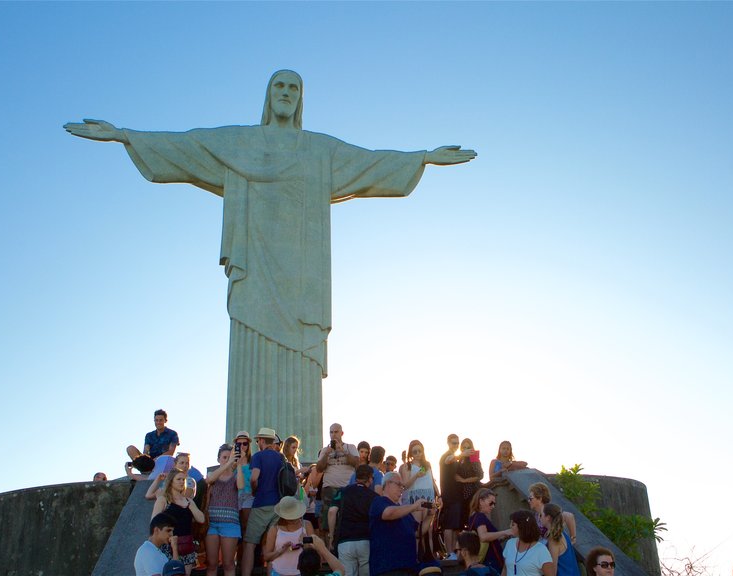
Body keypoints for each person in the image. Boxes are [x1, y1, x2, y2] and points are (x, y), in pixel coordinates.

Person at [65, 70, 477, 454]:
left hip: (302, 279)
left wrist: (421, 158)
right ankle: (245, 451)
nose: (286, 93)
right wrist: (124, 136)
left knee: (299, 355)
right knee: (250, 345)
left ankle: (300, 455)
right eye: (279, 86)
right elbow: (188, 145)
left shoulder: (319, 150)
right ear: (268, 96)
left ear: (301, 99)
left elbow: (369, 162)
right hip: (255, 274)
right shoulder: (240, 143)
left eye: (294, 88)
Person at [241, 427, 287, 576]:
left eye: (257, 441)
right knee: (271, 544)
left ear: (261, 440)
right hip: (278, 505)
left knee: (250, 543)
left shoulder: (258, 456)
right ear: (272, 441)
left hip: (261, 503)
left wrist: (255, 489)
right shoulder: (280, 457)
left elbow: (254, 477)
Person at [369, 472, 428, 576]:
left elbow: (418, 532)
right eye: (399, 484)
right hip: (388, 568)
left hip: (409, 568)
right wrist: (414, 506)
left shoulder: (404, 511)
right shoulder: (378, 501)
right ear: (387, 484)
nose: (402, 488)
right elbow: (388, 513)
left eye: (403, 486)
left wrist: (432, 515)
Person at [152, 469, 206, 575]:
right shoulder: (163, 500)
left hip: (186, 545)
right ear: (171, 481)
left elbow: (201, 519)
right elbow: (154, 522)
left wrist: (189, 505)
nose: (182, 481)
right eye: (178, 479)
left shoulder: (188, 501)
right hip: (168, 546)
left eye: (183, 479)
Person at [333, 465, 378, 576]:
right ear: (370, 478)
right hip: (366, 541)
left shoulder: (342, 491)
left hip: (345, 541)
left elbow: (331, 512)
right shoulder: (374, 497)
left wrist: (331, 535)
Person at [318, 423, 359, 543]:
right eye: (331, 432)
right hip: (329, 488)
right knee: (326, 521)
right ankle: (328, 549)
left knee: (346, 518)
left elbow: (357, 464)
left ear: (342, 433)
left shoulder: (350, 447)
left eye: (336, 432)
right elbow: (319, 468)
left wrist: (344, 451)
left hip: (346, 488)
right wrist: (327, 454)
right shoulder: (325, 450)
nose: (333, 434)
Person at [206, 443, 242, 576]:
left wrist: (238, 464)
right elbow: (209, 479)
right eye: (224, 457)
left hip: (230, 524)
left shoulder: (236, 475)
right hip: (212, 524)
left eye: (229, 457)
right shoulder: (212, 473)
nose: (227, 460)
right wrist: (228, 464)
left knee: (228, 564)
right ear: (218, 459)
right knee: (211, 564)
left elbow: (241, 485)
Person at [264, 496, 315, 576]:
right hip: (278, 572)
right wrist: (281, 550)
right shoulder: (274, 529)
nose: (292, 519)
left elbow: (314, 554)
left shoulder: (307, 525)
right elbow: (266, 557)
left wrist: (305, 544)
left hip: (301, 573)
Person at [466, 489, 511, 572]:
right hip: (490, 562)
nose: (493, 506)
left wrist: (503, 536)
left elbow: (487, 540)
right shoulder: (480, 516)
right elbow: (483, 537)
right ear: (481, 501)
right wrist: (505, 532)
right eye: (491, 503)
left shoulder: (474, 517)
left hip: (486, 561)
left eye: (494, 504)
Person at [127, 409, 180, 473]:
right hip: (149, 462)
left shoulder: (172, 434)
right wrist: (144, 460)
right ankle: (144, 470)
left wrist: (156, 459)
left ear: (165, 421)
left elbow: (171, 452)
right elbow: (146, 450)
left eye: (161, 420)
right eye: (156, 420)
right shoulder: (149, 435)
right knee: (130, 448)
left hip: (163, 461)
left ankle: (148, 470)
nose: (158, 422)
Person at [502, 511, 552, 576]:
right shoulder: (510, 543)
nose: (510, 526)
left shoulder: (541, 550)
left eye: (513, 524)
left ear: (522, 527)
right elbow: (505, 569)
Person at [438, 434, 462, 557]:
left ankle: (452, 552)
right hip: (448, 495)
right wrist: (463, 454)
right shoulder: (446, 456)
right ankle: (450, 552)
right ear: (448, 443)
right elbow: (449, 460)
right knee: (448, 525)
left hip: (456, 495)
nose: (456, 445)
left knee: (454, 525)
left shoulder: (455, 458)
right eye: (454, 443)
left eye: (457, 443)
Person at [541, 505, 578, 576]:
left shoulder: (554, 539)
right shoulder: (560, 531)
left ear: (548, 518)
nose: (540, 518)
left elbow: (552, 573)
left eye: (541, 515)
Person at [455, 439, 483, 528]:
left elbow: (480, 475)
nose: (466, 449)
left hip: (473, 492)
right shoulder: (460, 459)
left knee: (473, 519)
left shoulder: (473, 457)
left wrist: (463, 480)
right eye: (464, 447)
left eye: (468, 447)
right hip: (462, 494)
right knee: (465, 521)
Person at [234, 431, 255, 540]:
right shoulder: (232, 461)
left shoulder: (253, 461)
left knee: (246, 525)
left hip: (249, 495)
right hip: (235, 496)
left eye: (245, 443)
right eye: (239, 444)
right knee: (237, 526)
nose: (242, 446)